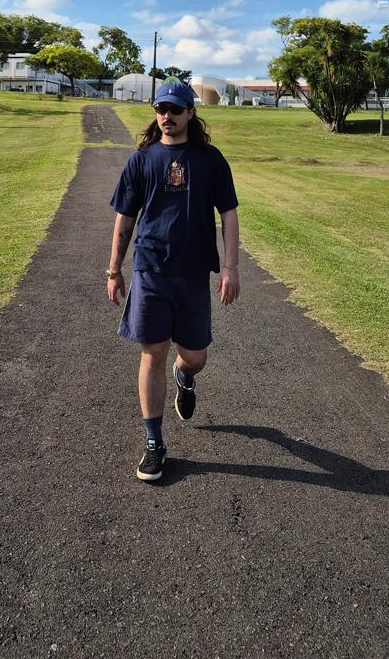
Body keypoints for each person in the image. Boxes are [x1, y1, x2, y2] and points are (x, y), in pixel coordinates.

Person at [107, 80, 240, 482]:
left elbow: (229, 214)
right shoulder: (141, 160)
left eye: (175, 109)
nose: (167, 115)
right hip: (151, 269)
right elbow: (124, 219)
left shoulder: (210, 159)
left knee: (195, 356)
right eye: (161, 108)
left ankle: (185, 377)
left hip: (193, 272)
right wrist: (114, 269)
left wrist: (230, 268)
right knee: (153, 353)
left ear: (190, 113)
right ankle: (153, 442)